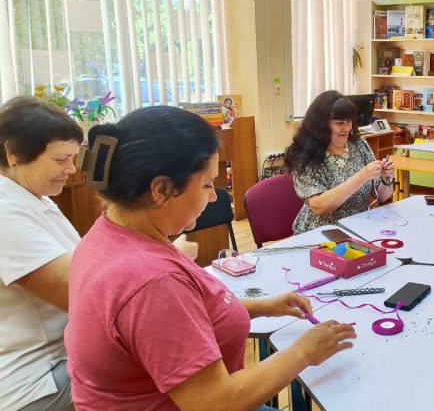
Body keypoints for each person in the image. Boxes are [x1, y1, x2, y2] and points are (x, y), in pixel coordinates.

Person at [65, 106, 356, 410]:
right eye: (206, 184)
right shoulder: (153, 282)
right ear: (161, 190)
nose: (214, 195)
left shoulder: (106, 234)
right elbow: (215, 402)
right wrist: (303, 352)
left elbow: (175, 322)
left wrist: (261, 307)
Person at [0, 96, 82, 411]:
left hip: (61, 353)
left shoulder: (34, 196)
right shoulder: (6, 213)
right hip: (38, 377)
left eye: (73, 158)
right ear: (14, 154)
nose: (71, 169)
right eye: (61, 160)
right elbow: (86, 297)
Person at [284, 90, 394, 234]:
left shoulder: (359, 144)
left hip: (359, 226)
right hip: (322, 232)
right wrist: (362, 176)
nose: (347, 128)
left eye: (349, 121)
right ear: (321, 125)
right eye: (339, 123)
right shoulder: (306, 154)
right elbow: (319, 206)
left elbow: (383, 196)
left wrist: (387, 177)